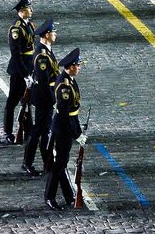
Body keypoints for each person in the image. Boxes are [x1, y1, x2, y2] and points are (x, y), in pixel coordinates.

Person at [44, 48, 85, 210]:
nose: (79, 67)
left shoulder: (70, 80)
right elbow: (66, 114)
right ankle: (49, 197)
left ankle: (68, 195)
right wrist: (77, 134)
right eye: (77, 65)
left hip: (66, 127)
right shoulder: (65, 86)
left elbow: (73, 112)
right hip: (63, 130)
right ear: (70, 67)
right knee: (59, 165)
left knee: (62, 163)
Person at [24, 19, 59, 176]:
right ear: (46, 35)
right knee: (38, 130)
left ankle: (46, 161)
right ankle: (27, 163)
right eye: (53, 32)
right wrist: (53, 100)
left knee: (45, 131)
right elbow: (44, 81)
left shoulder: (47, 50)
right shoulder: (42, 55)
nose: (55, 34)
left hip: (46, 96)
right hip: (44, 97)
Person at [5, 0, 36, 143]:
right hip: (19, 70)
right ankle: (8, 131)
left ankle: (28, 129)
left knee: (27, 101)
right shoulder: (16, 29)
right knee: (12, 102)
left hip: (29, 68)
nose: (32, 10)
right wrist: (25, 74)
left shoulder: (29, 24)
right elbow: (16, 55)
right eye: (29, 8)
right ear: (21, 10)